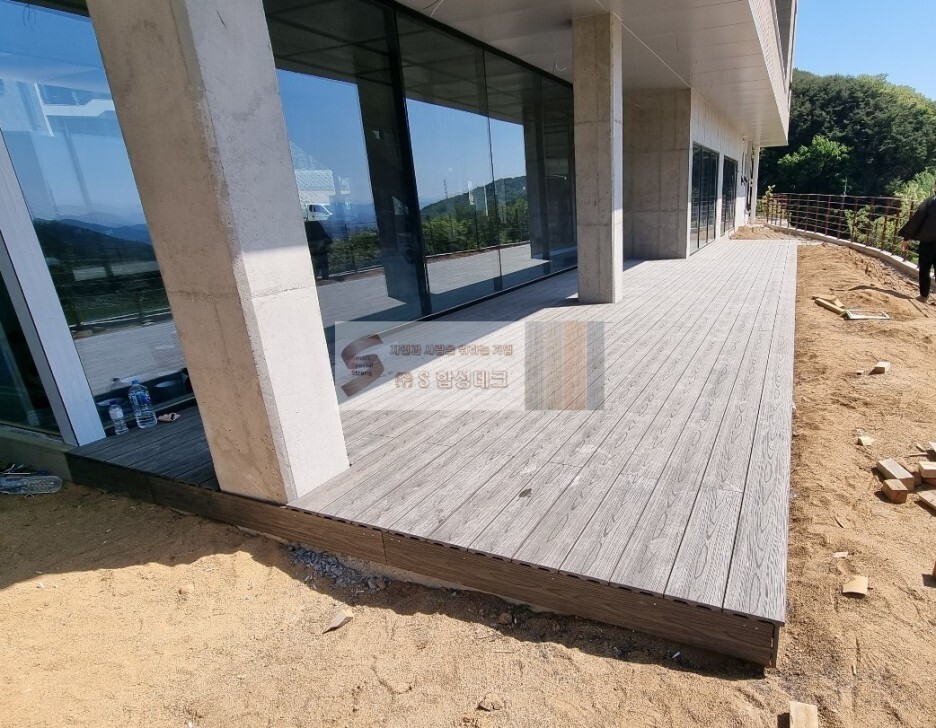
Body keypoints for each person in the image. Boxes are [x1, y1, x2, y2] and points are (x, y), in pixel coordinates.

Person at [898, 182, 936, 302]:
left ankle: (924, 296)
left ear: (934, 187)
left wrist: (906, 238)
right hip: (928, 241)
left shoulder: (929, 202)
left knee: (924, 268)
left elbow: (916, 220)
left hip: (928, 242)